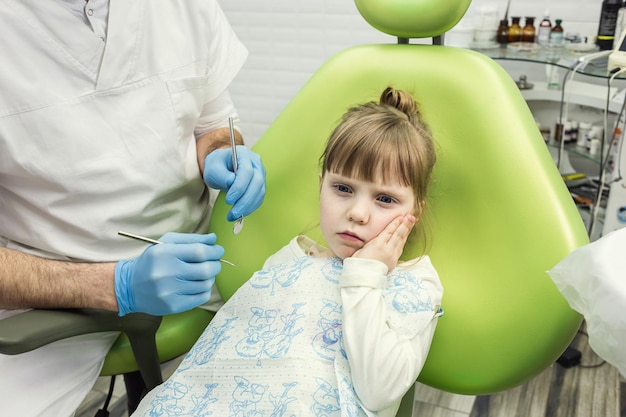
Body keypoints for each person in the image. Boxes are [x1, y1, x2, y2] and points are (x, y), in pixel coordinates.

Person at [0, 1, 265, 416]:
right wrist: (115, 285)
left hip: (200, 266)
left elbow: (212, 124)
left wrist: (222, 153)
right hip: (51, 293)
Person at [131, 86, 444, 417]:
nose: (358, 213)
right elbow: (231, 351)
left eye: (385, 199)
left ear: (416, 210)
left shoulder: (416, 284)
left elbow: (379, 392)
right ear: (321, 183)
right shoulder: (293, 260)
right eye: (342, 188)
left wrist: (365, 274)